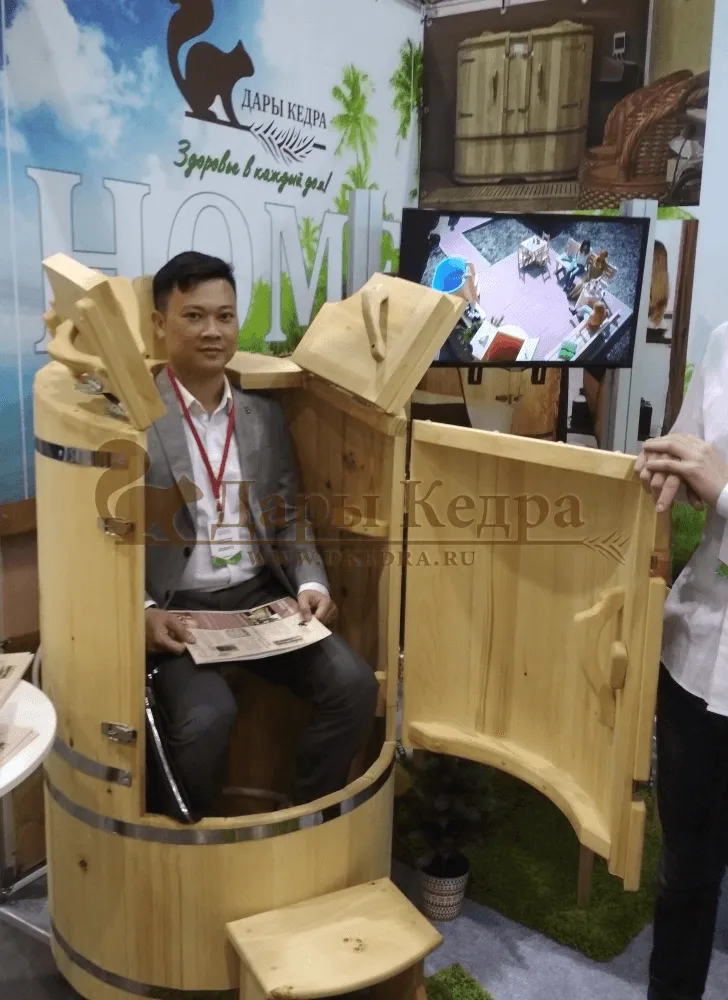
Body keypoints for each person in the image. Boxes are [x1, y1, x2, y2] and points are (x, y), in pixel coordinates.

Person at [144, 251, 378, 815]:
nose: (213, 330)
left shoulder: (261, 414)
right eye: (194, 316)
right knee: (206, 718)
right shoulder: (133, 416)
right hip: (179, 607)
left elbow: (288, 513)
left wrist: (312, 583)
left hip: (259, 598)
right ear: (160, 323)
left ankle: (304, 818)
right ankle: (192, 840)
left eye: (225, 316)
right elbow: (105, 537)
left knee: (354, 686)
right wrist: (142, 612)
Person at [635, 322, 728, 1000]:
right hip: (697, 652)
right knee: (685, 871)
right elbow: (692, 456)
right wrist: (670, 467)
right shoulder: (726, 340)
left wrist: (721, 489)